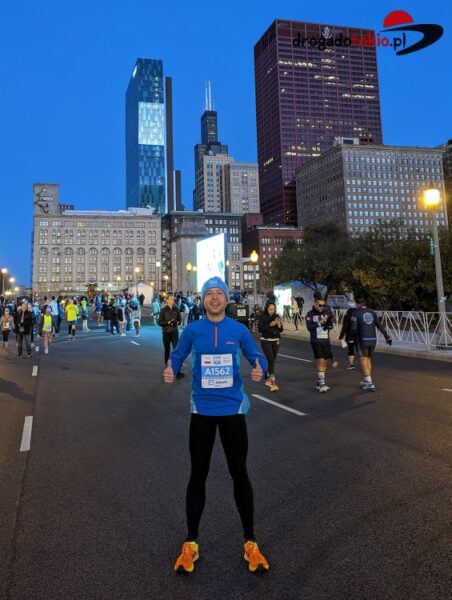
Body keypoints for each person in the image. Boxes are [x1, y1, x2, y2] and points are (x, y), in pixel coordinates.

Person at [164, 277, 269, 574]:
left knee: (240, 473)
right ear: (202, 299)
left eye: (218, 293)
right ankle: (191, 542)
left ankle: (250, 541)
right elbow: (177, 354)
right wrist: (170, 367)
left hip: (233, 411)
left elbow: (255, 356)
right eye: (209, 293)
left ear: (226, 299)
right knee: (198, 475)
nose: (214, 298)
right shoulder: (193, 330)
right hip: (202, 411)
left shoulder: (238, 330)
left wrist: (260, 369)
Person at [350, 297, 392, 392]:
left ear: (359, 304)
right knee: (368, 359)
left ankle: (369, 383)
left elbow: (353, 328)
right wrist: (387, 336)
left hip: (362, 340)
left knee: (363, 359)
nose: (355, 305)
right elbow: (379, 325)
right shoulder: (372, 312)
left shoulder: (356, 313)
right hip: (373, 340)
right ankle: (367, 380)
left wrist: (352, 338)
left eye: (356, 304)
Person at [305, 296, 335, 393]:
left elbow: (331, 324)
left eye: (323, 305)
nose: (322, 307)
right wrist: (319, 323)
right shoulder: (310, 314)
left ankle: (319, 382)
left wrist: (329, 324)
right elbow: (309, 327)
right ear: (315, 304)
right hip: (316, 341)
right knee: (321, 360)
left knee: (325, 362)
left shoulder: (326, 313)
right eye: (320, 305)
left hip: (325, 341)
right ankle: (322, 383)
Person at [258, 302, 283, 392]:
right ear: (266, 309)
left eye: (273, 309)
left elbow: (281, 329)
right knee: (271, 359)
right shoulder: (263, 317)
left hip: (276, 340)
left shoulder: (277, 316)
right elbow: (260, 329)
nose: (272, 311)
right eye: (270, 309)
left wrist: (279, 325)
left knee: (272, 360)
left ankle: (269, 378)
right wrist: (270, 325)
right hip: (266, 340)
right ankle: (272, 381)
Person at [158, 293, 184, 379]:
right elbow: (159, 322)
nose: (173, 300)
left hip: (175, 333)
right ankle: (167, 370)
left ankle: (178, 372)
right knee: (167, 351)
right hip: (166, 333)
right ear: (167, 300)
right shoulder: (163, 310)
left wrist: (177, 322)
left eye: (173, 299)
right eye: (171, 299)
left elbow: (180, 320)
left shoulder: (176, 309)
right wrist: (168, 322)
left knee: (176, 352)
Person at [338, 302, 358, 370]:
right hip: (358, 336)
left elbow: (345, 327)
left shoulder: (347, 316)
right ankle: (364, 363)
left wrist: (341, 337)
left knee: (351, 350)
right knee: (360, 350)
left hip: (350, 335)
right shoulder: (358, 315)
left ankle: (351, 365)